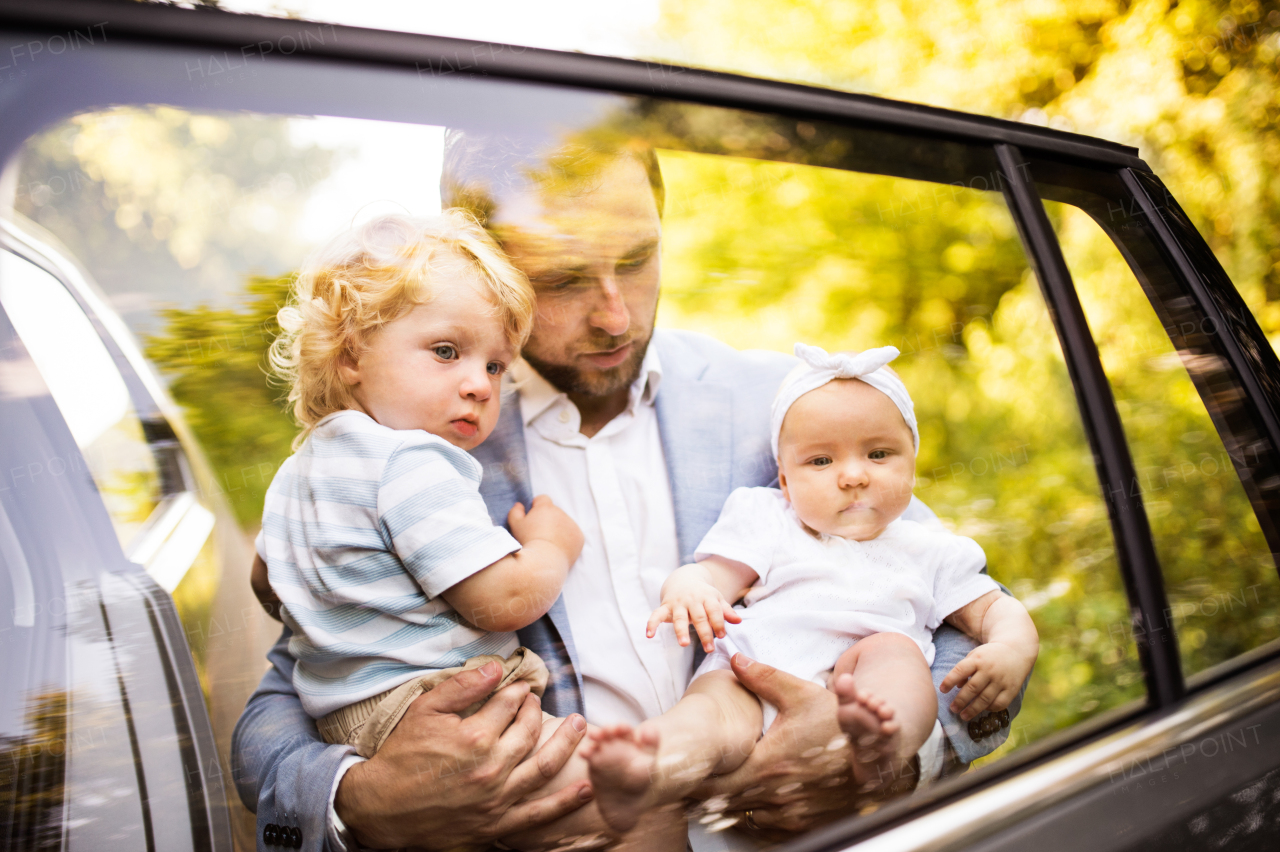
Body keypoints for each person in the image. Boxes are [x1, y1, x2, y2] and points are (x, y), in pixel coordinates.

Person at [233, 129, 1025, 852]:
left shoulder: (787, 409)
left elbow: (945, 606)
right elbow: (283, 697)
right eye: (566, 278)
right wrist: (361, 799)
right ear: (491, 272)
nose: (616, 314)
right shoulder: (411, 440)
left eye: (639, 258)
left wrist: (889, 759)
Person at [581, 344, 1039, 833]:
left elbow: (993, 611)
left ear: (912, 463)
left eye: (879, 454)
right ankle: (647, 764)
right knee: (706, 714)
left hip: (857, 680)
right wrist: (688, 588)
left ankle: (884, 741)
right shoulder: (770, 519)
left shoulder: (932, 550)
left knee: (894, 655)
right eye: (821, 462)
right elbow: (714, 576)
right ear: (784, 478)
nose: (853, 476)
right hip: (750, 672)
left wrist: (1014, 646)